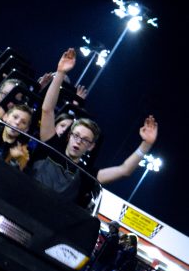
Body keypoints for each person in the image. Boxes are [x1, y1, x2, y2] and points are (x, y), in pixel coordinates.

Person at [33, 47, 159, 194]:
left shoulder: (87, 175)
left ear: (91, 146)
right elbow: (47, 110)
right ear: (69, 136)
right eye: (76, 135)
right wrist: (60, 73)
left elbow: (124, 170)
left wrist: (146, 144)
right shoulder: (50, 145)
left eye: (85, 140)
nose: (78, 141)